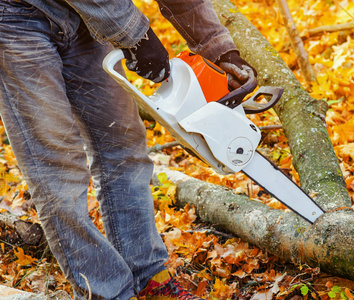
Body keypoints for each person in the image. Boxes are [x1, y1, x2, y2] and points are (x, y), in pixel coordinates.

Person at [0, 0, 256, 299]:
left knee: (122, 144)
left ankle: (149, 275)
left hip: (85, 18)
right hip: (15, 18)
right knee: (57, 166)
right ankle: (110, 292)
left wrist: (219, 48)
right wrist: (137, 35)